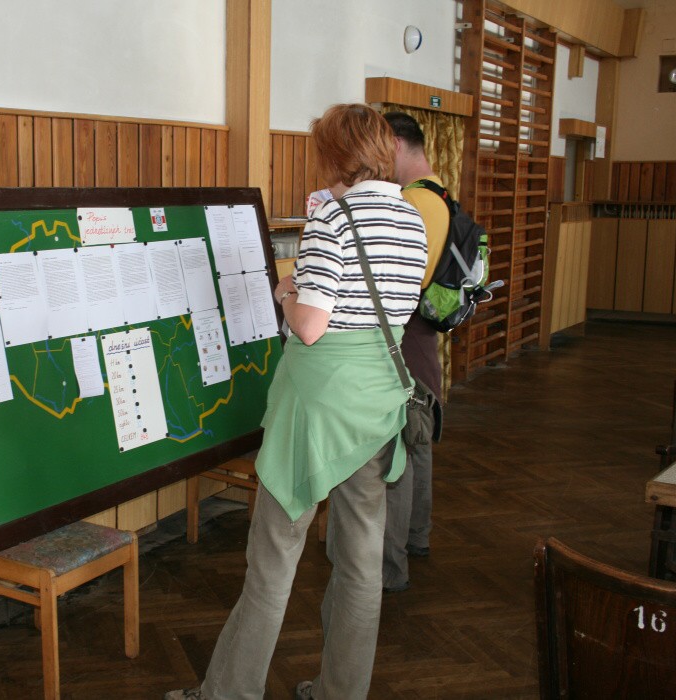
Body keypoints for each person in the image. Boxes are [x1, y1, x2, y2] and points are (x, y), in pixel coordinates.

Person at [165, 104, 427, 700]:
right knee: (361, 564)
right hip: (377, 407)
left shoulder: (332, 218)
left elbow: (310, 326)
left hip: (316, 411)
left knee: (273, 562)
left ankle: (228, 694)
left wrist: (286, 292)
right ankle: (342, 692)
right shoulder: (412, 219)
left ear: (335, 155)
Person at [380, 111, 448, 593]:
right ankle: (417, 536)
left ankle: (395, 557)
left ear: (397, 145)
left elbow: (398, 282)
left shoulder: (411, 202)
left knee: (404, 444)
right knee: (418, 438)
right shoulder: (438, 194)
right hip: (423, 335)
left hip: (406, 333)